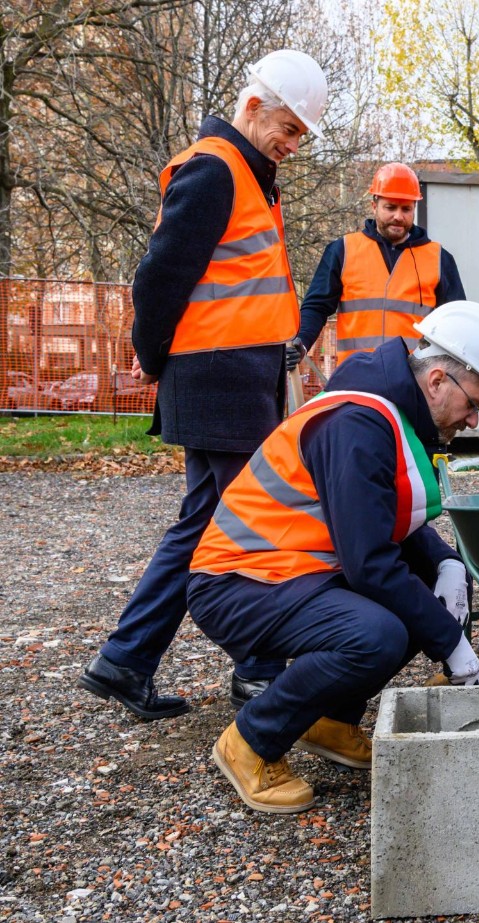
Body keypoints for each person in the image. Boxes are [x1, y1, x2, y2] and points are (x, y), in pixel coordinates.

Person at [78, 50, 329, 721]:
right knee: (258, 520)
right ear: (253, 106)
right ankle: (258, 672)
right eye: (289, 126)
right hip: (217, 376)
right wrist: (152, 359)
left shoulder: (249, 174)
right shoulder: (217, 169)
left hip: (232, 376)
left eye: (301, 133)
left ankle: (125, 659)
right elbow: (157, 278)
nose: (293, 143)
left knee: (202, 525)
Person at [186, 301, 479, 813]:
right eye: (474, 404)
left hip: (290, 569)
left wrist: (448, 563)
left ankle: (331, 722)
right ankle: (250, 742)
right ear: (438, 381)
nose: (472, 420)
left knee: (419, 599)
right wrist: (451, 644)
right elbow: (370, 562)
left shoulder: (385, 408)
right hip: (238, 580)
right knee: (377, 634)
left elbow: (378, 517)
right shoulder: (358, 425)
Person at [289, 162, 466, 369]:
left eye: (406, 209)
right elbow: (317, 307)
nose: (398, 216)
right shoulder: (343, 250)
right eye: (390, 207)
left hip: (412, 381)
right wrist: (301, 342)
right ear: (374, 206)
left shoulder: (439, 259)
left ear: (414, 209)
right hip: (356, 377)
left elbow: (455, 323)